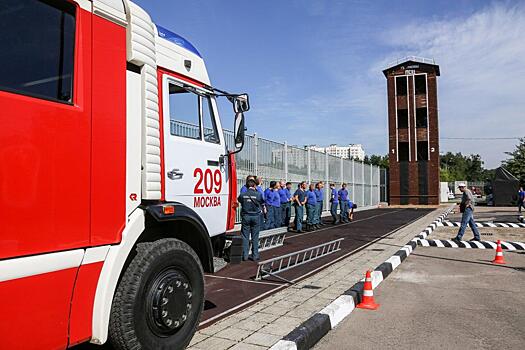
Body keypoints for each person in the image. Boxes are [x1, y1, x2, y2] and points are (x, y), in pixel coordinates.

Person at [237, 178, 263, 261]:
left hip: (246, 216)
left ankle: (245, 256)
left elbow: (240, 200)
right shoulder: (258, 194)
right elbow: (262, 201)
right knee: (255, 236)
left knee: (245, 236)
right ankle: (255, 255)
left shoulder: (242, 194)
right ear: (254, 185)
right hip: (255, 216)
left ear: (246, 186)